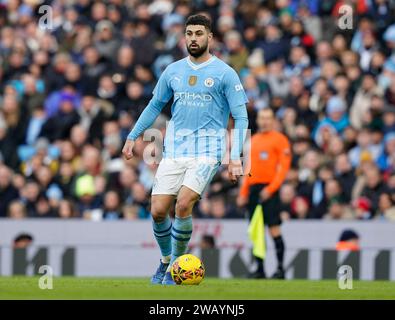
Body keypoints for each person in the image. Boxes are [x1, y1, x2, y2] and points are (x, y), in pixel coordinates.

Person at [122, 14, 248, 285]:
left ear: (210, 37)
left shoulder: (225, 73)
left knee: (183, 203)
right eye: (189, 33)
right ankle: (166, 260)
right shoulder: (173, 70)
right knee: (157, 210)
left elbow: (241, 116)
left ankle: (175, 268)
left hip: (208, 151)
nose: (193, 38)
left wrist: (235, 156)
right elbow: (155, 105)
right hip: (175, 150)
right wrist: (133, 136)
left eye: (199, 33)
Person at [237, 108, 291, 279]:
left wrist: (271, 189)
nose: (265, 121)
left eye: (268, 118)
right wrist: (243, 192)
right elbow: (248, 170)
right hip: (253, 189)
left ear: (273, 120)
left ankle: (280, 269)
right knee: (256, 230)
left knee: (274, 228)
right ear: (258, 120)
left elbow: (283, 168)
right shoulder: (252, 141)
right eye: (262, 118)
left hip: (270, 189)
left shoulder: (280, 140)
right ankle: (259, 269)